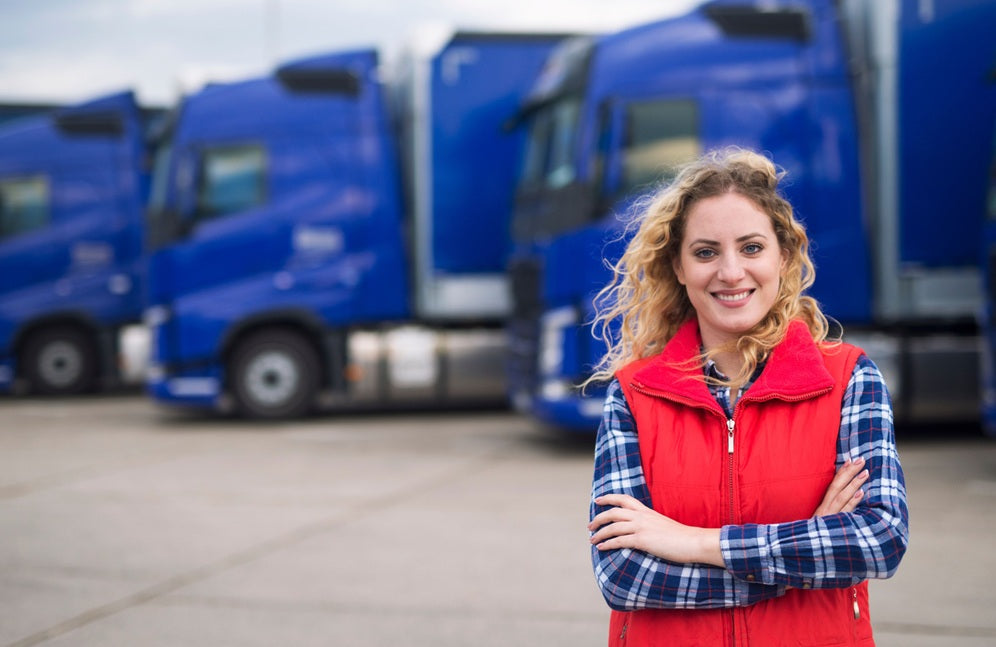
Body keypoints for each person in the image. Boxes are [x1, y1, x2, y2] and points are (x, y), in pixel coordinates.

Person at [585, 148, 908, 646]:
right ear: (678, 267)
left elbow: (878, 540)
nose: (731, 272)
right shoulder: (633, 395)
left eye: (752, 247)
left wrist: (694, 542)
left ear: (784, 255)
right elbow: (624, 576)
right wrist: (799, 561)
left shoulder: (848, 378)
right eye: (706, 252)